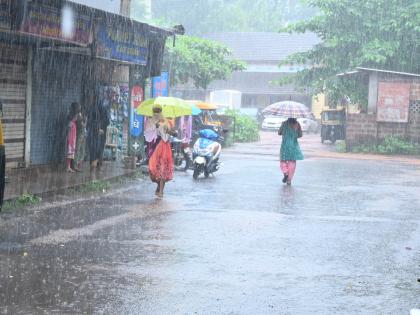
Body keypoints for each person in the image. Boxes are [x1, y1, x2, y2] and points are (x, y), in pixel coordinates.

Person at [144, 105, 174, 198]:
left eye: (158, 111)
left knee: (163, 168)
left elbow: (169, 132)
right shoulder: (150, 120)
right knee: (154, 169)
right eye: (155, 111)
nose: (157, 114)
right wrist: (155, 127)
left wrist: (170, 131)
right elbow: (147, 132)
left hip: (163, 146)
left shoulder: (166, 121)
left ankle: (161, 191)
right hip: (155, 146)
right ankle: (159, 187)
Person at [278, 117, 303, 185]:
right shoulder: (297, 124)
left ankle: (285, 173)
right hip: (294, 145)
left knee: (283, 160)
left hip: (285, 145)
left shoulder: (284, 123)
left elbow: (279, 133)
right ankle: (289, 180)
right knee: (292, 162)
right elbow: (300, 135)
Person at [88, 99, 110, 171]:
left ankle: (93, 165)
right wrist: (101, 128)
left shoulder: (92, 109)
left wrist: (96, 128)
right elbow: (107, 121)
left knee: (93, 148)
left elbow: (90, 121)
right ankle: (98, 164)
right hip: (101, 133)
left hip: (93, 133)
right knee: (99, 148)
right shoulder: (104, 110)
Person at [66, 102, 81, 173]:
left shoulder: (71, 115)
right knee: (70, 149)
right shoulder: (72, 116)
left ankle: (69, 166)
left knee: (71, 150)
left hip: (73, 133)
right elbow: (69, 125)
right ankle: (68, 167)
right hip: (71, 133)